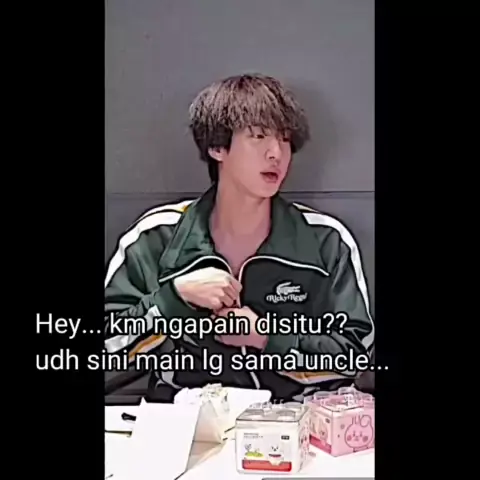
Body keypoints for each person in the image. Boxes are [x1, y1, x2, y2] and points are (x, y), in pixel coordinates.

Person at [104, 73, 374, 402]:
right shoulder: (155, 237)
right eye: (258, 136)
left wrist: (266, 337)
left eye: (285, 139)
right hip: (187, 421)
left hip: (292, 422)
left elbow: (355, 355)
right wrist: (173, 299)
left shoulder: (327, 240)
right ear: (217, 147)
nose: (276, 153)